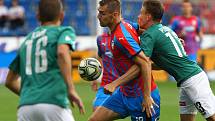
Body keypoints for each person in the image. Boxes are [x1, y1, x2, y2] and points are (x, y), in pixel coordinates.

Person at [5, 0, 85, 121]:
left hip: (25, 109)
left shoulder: (27, 41)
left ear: (37, 16)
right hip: (53, 103)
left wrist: (31, 97)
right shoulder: (63, 31)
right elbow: (62, 52)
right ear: (62, 15)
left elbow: (9, 81)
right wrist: (71, 89)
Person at [137, 0, 215, 121]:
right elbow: (157, 64)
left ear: (148, 17)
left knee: (212, 117)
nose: (138, 16)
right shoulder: (166, 29)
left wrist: (146, 95)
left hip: (193, 81)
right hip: (186, 81)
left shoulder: (150, 34)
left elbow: (143, 62)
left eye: (141, 13)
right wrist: (146, 65)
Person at [88, 0, 160, 121]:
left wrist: (147, 97)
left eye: (103, 13)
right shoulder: (126, 25)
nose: (98, 16)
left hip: (141, 97)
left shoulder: (121, 37)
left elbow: (145, 63)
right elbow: (147, 32)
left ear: (115, 15)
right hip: (124, 94)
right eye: (99, 12)